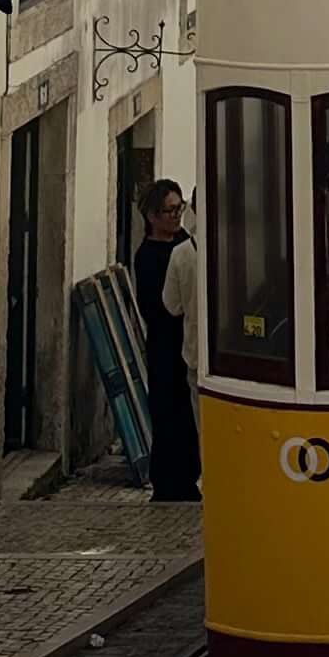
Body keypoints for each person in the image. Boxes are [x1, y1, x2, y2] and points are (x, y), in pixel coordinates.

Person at [133, 179, 201, 506]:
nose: (176, 216)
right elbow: (157, 307)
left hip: (185, 340)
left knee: (186, 418)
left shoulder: (186, 243)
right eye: (169, 211)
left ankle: (186, 480)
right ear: (151, 216)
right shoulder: (148, 255)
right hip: (164, 344)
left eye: (179, 209)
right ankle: (167, 485)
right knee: (167, 413)